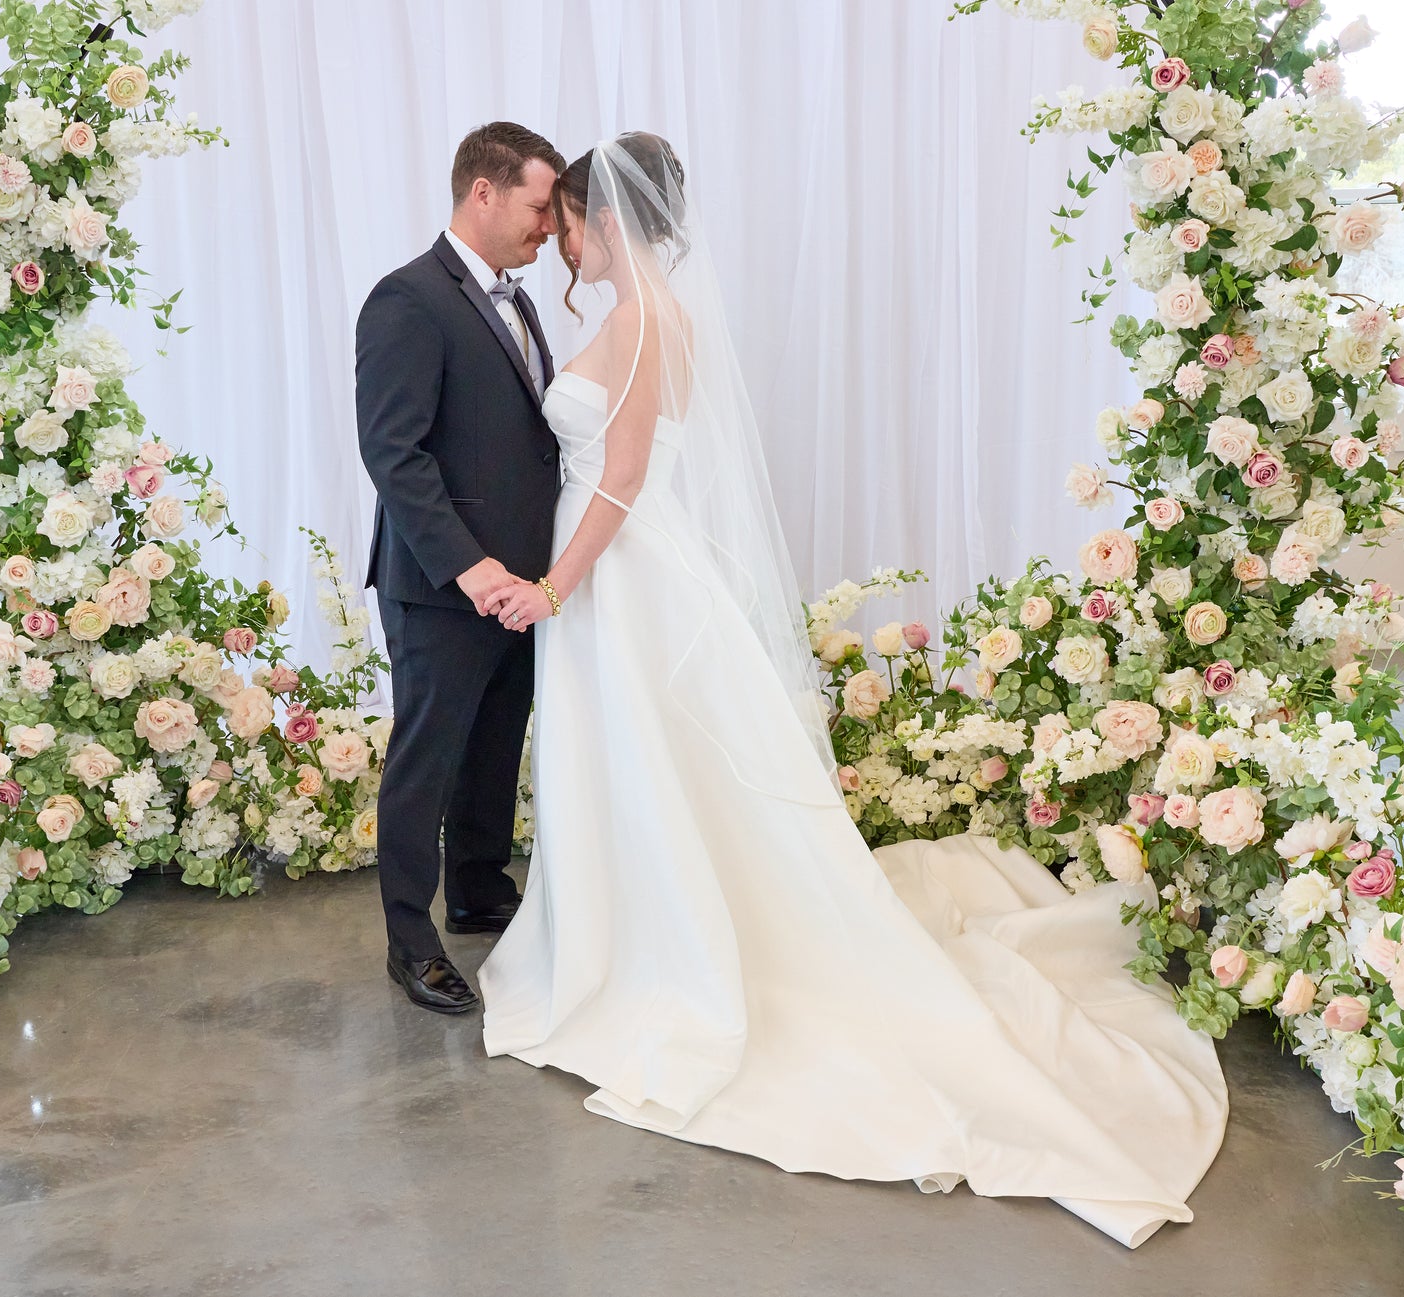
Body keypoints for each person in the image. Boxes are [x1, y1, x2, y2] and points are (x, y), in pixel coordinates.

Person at [476, 133, 1230, 1247]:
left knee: (644, 762)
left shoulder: (639, 320)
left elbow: (624, 481)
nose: (558, 244)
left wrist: (550, 586)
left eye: (568, 223)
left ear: (607, 221)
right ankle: (625, 919)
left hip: (620, 578)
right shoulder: (644, 316)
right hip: (624, 579)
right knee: (640, 768)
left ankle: (645, 948)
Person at [354, 122, 564, 1014]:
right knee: (427, 759)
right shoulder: (406, 299)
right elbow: (393, 453)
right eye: (539, 204)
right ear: (484, 191)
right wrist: (470, 568)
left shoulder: (516, 298)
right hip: (444, 587)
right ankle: (409, 938)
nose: (551, 225)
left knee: (492, 747)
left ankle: (478, 887)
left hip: (520, 586)